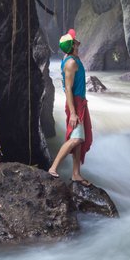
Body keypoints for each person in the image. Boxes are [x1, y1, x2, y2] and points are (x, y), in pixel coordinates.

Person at [48, 28, 93, 186]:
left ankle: (76, 173)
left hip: (80, 101)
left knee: (79, 140)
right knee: (76, 138)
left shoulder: (71, 57)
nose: (77, 39)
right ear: (72, 45)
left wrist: (74, 44)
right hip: (75, 103)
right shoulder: (71, 63)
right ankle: (53, 167)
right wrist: (73, 113)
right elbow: (68, 88)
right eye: (74, 40)